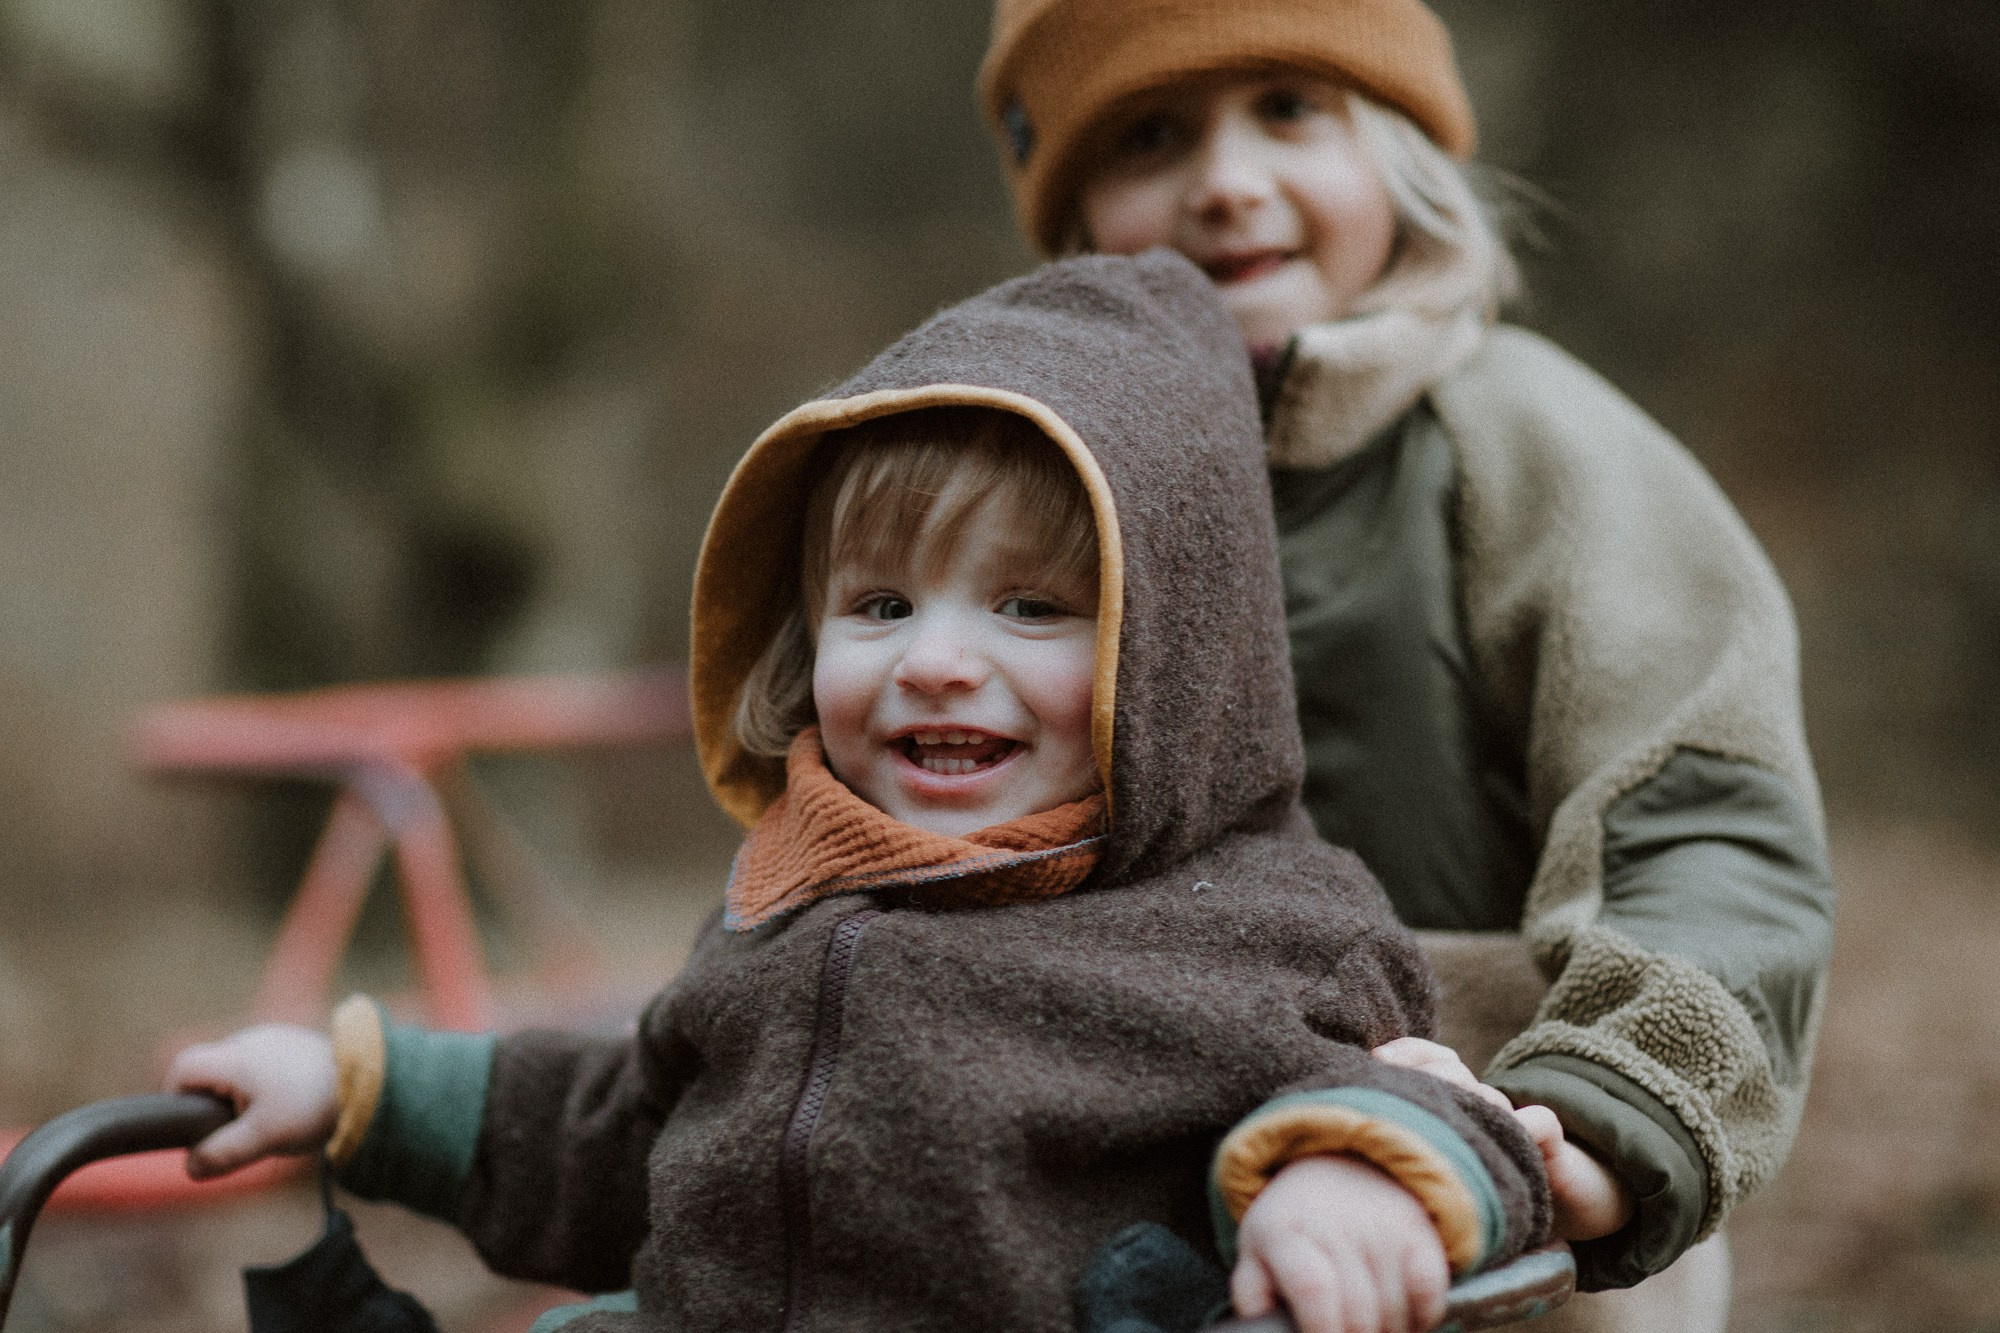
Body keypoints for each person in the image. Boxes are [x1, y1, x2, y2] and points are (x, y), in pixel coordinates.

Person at [169, 253, 1560, 1333]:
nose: (937, 663)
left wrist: (1349, 1172)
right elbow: (633, 1138)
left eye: (1030, 607)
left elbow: (1449, 1112)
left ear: (1173, 651)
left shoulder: (1263, 923)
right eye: (883, 603)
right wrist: (357, 1088)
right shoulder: (797, 887)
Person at [976, 2, 1838, 1327]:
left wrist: (1597, 1116)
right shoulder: (1029, 489)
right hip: (1116, 1240)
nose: (1226, 182)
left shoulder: (1541, 449)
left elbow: (1703, 828)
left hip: (1491, 1217)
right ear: (1077, 207)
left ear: (1400, 153)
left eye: (1288, 109)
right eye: (1150, 135)